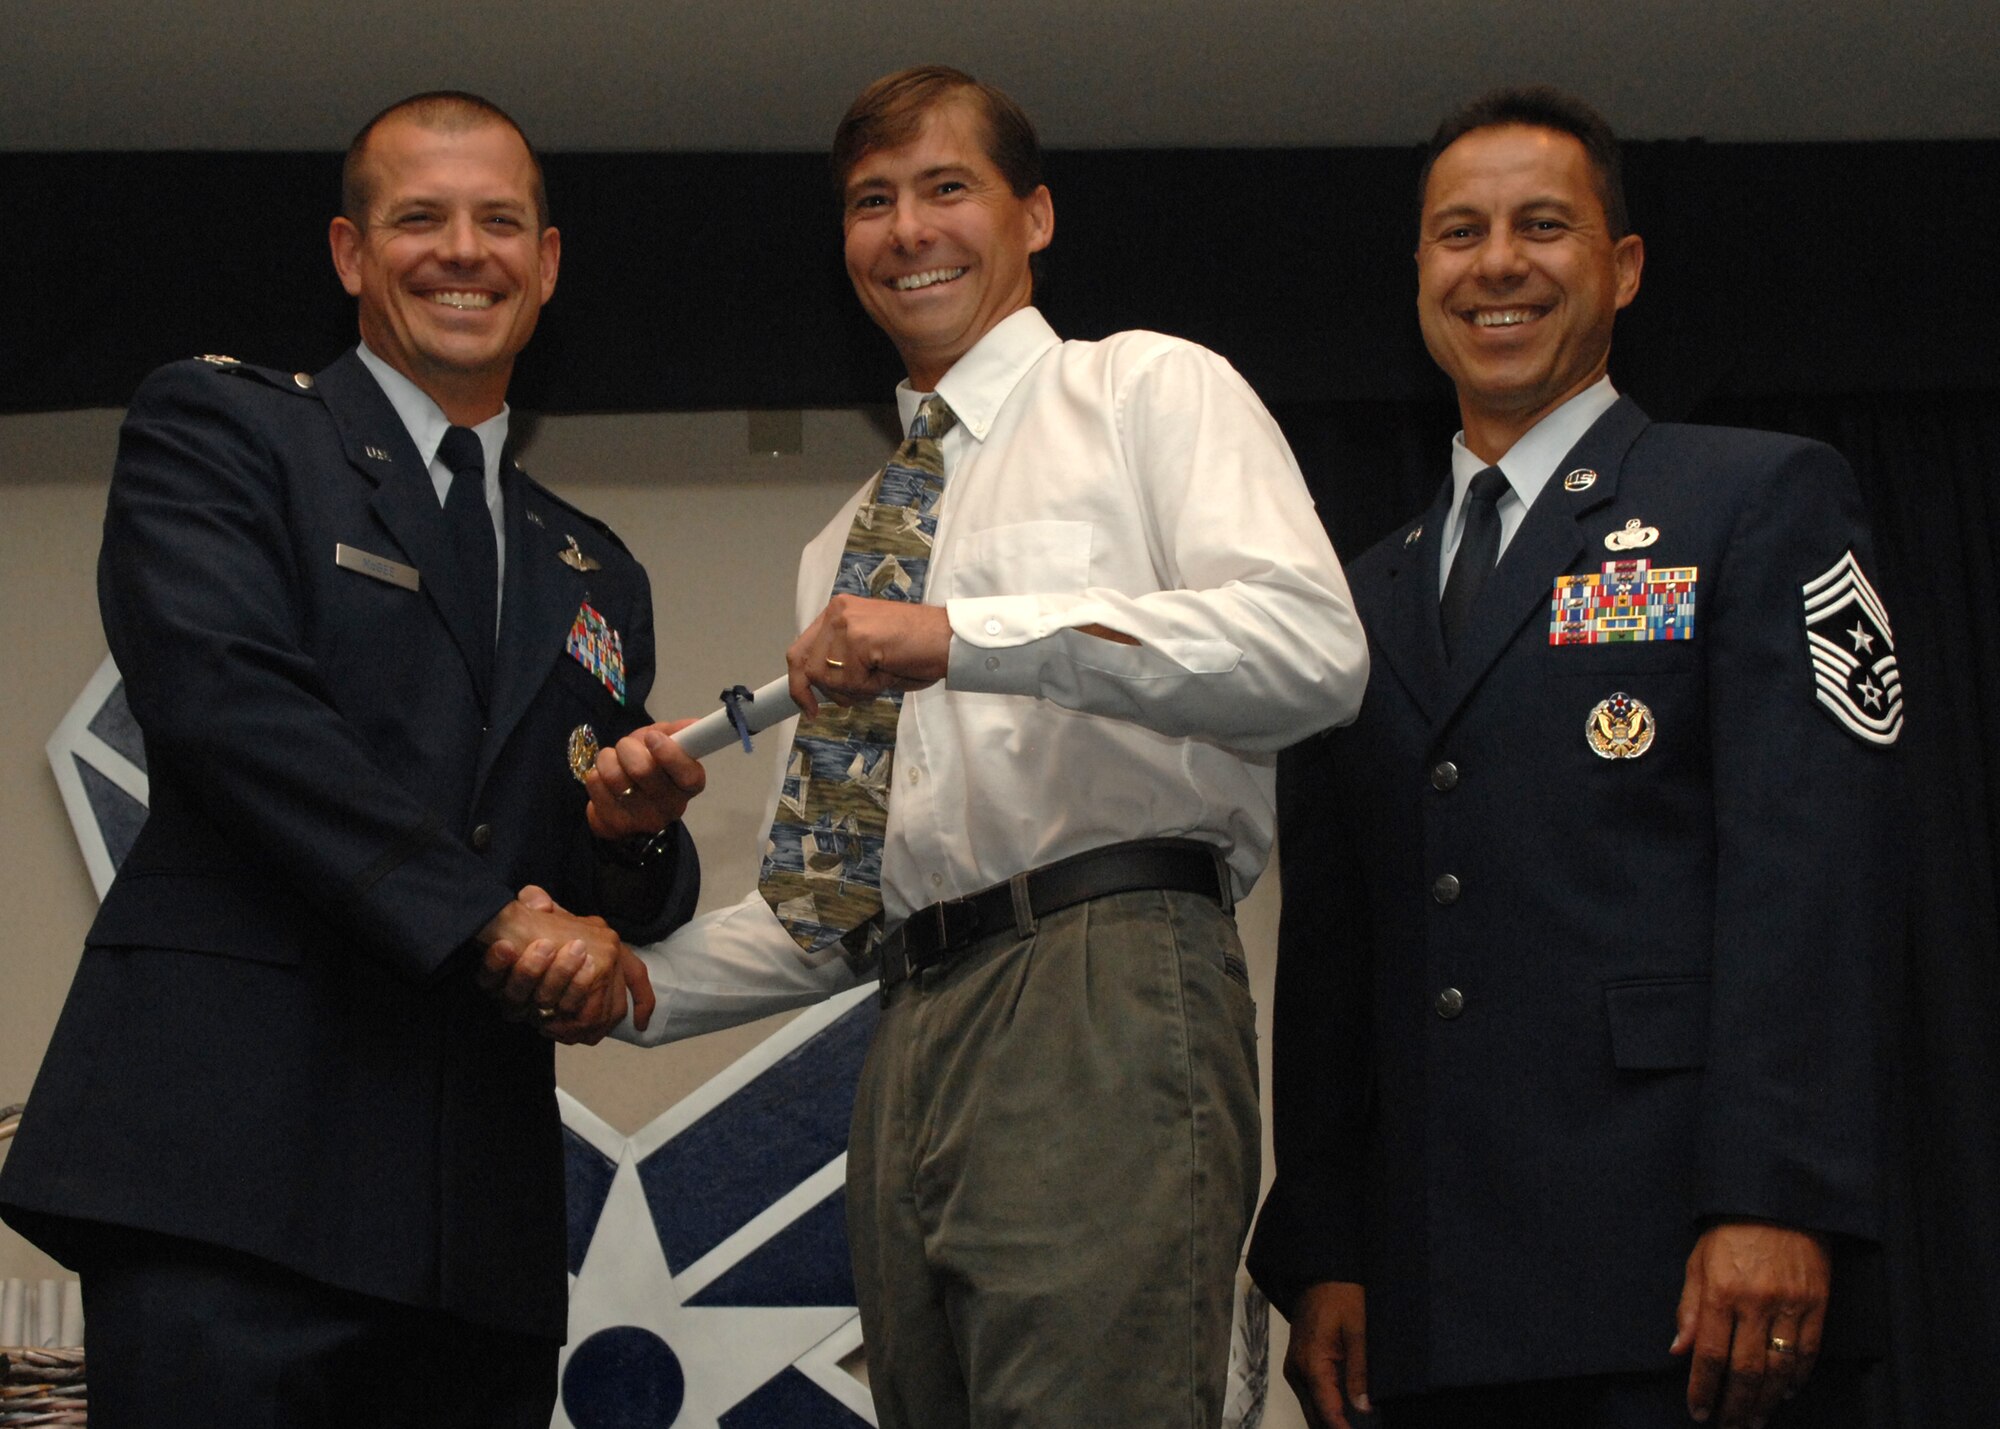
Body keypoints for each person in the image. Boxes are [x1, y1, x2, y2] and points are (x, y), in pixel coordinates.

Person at [495, 63, 1367, 1427]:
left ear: (1037, 215)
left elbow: (1314, 653)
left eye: (947, 188)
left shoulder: (1144, 389)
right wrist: (636, 987)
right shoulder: (839, 542)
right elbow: (838, 901)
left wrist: (965, 637)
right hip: (907, 1029)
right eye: (871, 202)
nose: (908, 231)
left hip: (1107, 977)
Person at [0, 91, 703, 1428]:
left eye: (501, 222)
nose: (463, 251)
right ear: (348, 252)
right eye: (418, 218)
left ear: (546, 265)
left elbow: (569, 872)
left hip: (472, 1224)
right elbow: (228, 708)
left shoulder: (590, 563)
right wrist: (490, 917)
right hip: (233, 1171)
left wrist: (625, 839)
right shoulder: (226, 432)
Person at [1247, 86, 1898, 1429]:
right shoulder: (1352, 600)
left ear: (1624, 265)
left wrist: (1773, 1193)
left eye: (1543, 225)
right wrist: (1325, 1244)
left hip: (1681, 1285)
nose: (1497, 264)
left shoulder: (1757, 497)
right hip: (1422, 1308)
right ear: (1420, 272)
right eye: (1458, 233)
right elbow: (1337, 956)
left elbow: (1813, 879)